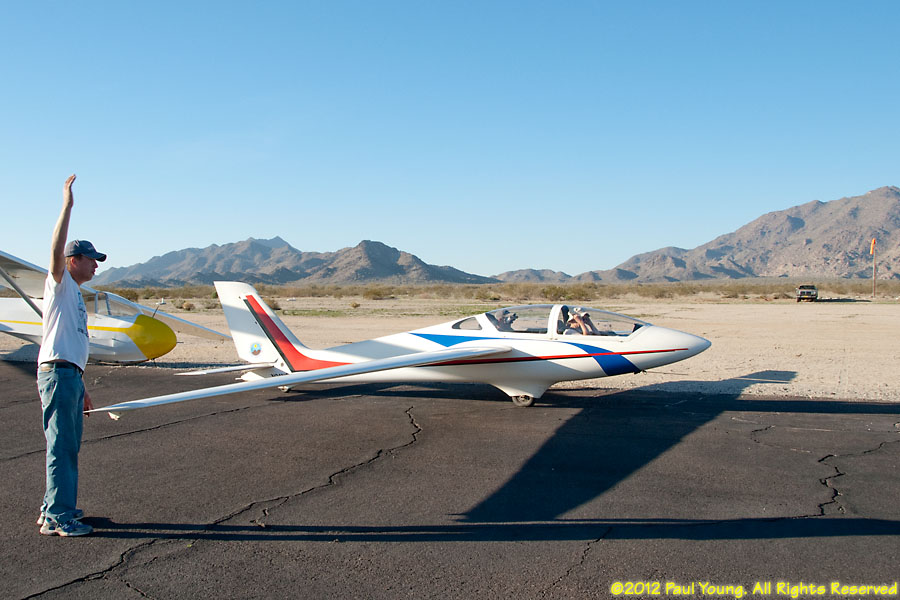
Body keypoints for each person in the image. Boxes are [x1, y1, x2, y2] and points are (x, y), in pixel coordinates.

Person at [36, 174, 106, 537]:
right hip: (58, 374)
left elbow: (73, 344)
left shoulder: (75, 294)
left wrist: (82, 385)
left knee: (67, 446)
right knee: (62, 446)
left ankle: (54, 507)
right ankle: (59, 518)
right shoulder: (60, 283)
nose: (96, 265)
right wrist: (67, 206)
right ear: (73, 260)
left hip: (69, 376)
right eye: (91, 259)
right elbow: (54, 252)